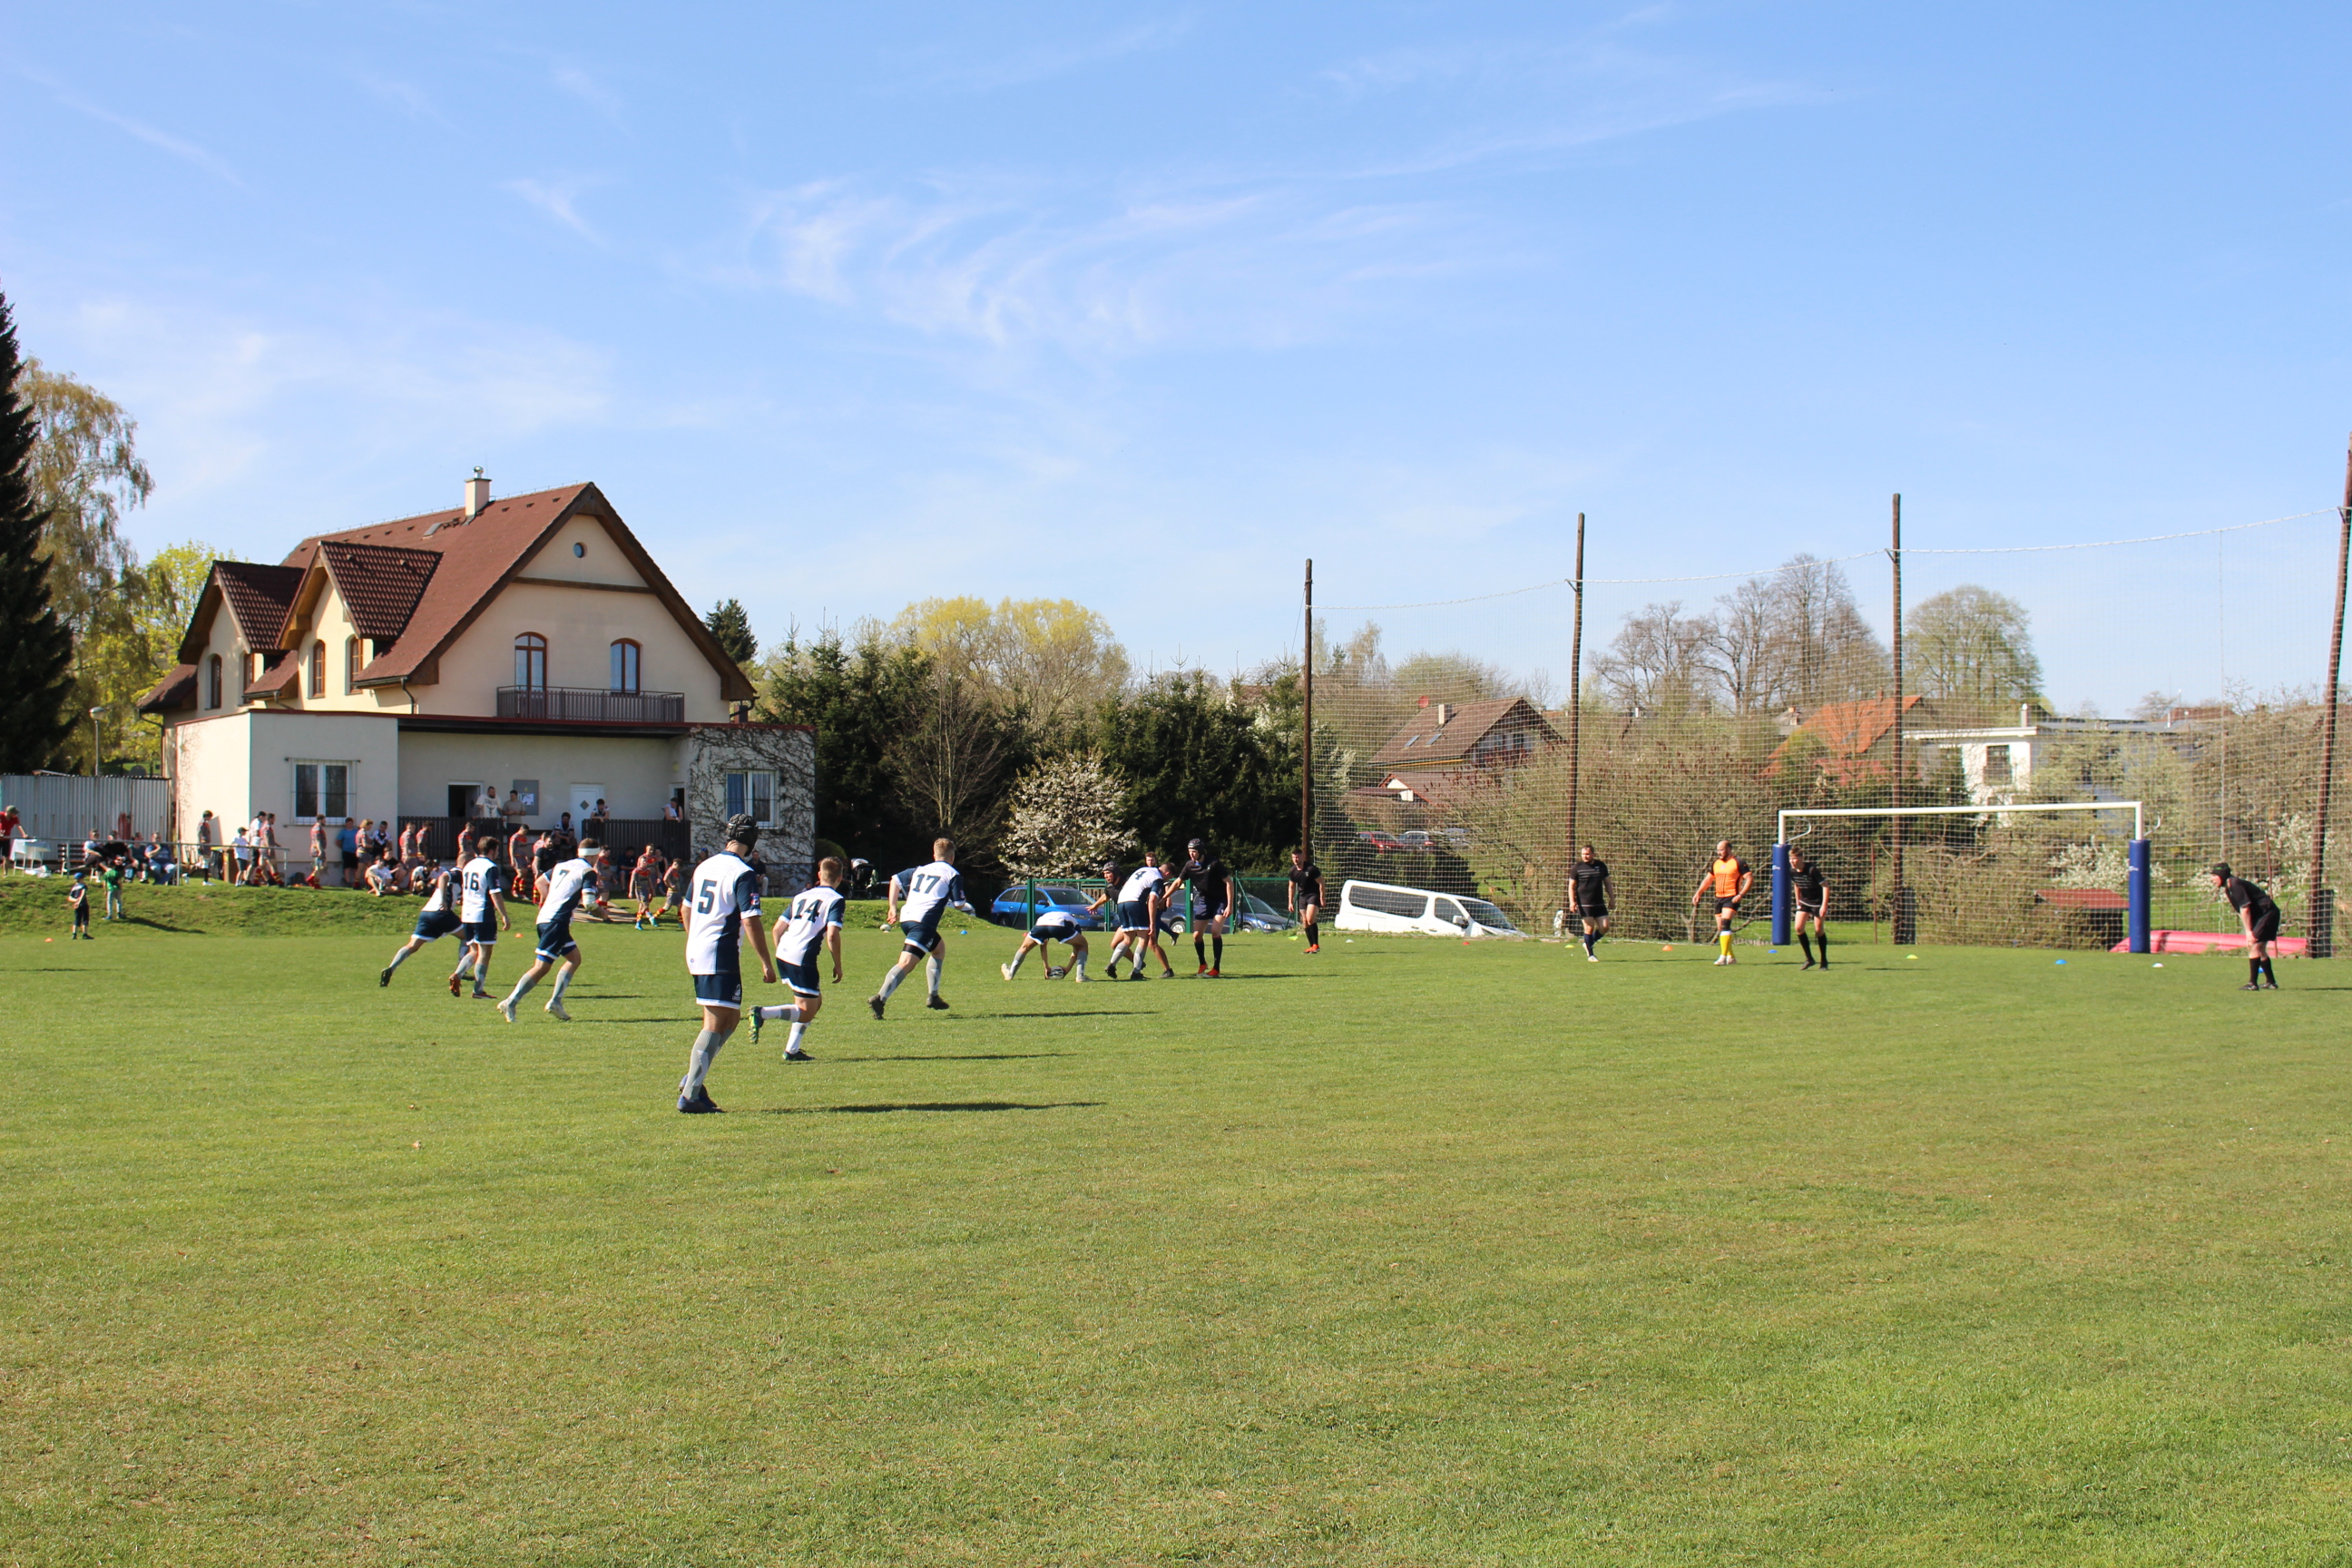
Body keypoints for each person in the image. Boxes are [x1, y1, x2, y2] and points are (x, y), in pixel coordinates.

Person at [677, 814, 779, 1113]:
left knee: (731, 1019)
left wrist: (695, 938)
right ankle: (691, 1095)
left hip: (700, 950)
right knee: (714, 1022)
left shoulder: (705, 866)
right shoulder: (744, 873)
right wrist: (766, 962)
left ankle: (693, 1077)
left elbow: (686, 909)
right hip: (719, 953)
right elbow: (751, 920)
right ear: (753, 841)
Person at [750, 856, 848, 1061]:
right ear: (840, 878)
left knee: (815, 1002)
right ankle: (763, 1013)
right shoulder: (835, 900)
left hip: (784, 952)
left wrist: (784, 952)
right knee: (806, 1011)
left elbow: (777, 929)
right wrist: (838, 965)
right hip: (802, 957)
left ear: (819, 875)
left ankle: (792, 1051)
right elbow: (832, 935)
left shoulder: (801, 896)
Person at [867, 838, 972, 1018]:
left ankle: (933, 996)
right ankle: (880, 998)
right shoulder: (952, 874)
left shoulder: (920, 869)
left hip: (907, 918)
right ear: (952, 857)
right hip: (923, 922)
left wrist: (892, 908)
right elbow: (959, 904)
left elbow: (895, 880)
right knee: (906, 962)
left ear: (934, 855)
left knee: (938, 949)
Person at [499, 837, 601, 1022]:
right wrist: (603, 914)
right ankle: (510, 1002)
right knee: (541, 967)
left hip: (545, 918)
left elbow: (540, 882)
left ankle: (556, 1001)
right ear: (595, 856)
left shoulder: (562, 865)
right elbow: (589, 903)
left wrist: (549, 901)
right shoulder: (588, 872)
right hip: (556, 921)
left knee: (574, 958)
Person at [381, 861, 466, 986]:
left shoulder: (458, 879)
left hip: (426, 912)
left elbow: (452, 892)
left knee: (413, 945)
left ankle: (390, 969)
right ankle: (461, 970)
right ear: (465, 862)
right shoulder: (458, 873)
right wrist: (443, 900)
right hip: (441, 912)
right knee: (468, 936)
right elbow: (443, 877)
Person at [1165, 838, 1239, 977]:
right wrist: (1164, 897)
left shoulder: (1214, 863)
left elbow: (1229, 883)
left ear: (1200, 851)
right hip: (1205, 901)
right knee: (1197, 935)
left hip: (1220, 900)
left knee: (1215, 931)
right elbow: (1177, 882)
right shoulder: (1189, 866)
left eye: (1194, 851)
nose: (1191, 854)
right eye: (1189, 851)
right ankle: (1203, 963)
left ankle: (1216, 969)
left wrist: (1230, 905)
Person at [454, 835, 513, 999]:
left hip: (467, 913)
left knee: (474, 950)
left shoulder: (469, 865)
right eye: (497, 850)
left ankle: (457, 974)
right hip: (483, 913)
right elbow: (495, 893)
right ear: (492, 851)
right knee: (485, 953)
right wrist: (504, 915)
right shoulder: (490, 867)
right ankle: (478, 991)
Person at [2210, 863, 2282, 991]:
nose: (2212, 879)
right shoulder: (2228, 888)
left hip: (2267, 913)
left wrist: (2249, 932)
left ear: (2222, 875)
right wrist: (2249, 930)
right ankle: (2271, 982)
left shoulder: (2235, 884)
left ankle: (2252, 984)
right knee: (2259, 947)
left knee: (2254, 945)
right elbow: (2240, 910)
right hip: (2260, 915)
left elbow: (2245, 908)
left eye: (2214, 876)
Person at [1690, 839, 1752, 965]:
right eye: (1718, 850)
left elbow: (1750, 879)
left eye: (1721, 850)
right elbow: (1708, 879)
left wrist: (1741, 894)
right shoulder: (1716, 863)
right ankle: (1731, 957)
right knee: (1721, 928)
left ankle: (1722, 957)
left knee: (1725, 924)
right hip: (1719, 898)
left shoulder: (1738, 862)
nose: (1719, 853)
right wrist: (1698, 893)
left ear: (1729, 849)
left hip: (1732, 897)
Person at [1004, 901, 1089, 982]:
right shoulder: (1074, 922)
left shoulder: (1047, 915)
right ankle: (1080, 976)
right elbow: (1076, 949)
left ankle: (1010, 974)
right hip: (1059, 924)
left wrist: (1046, 967)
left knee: (1024, 947)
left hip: (1041, 924)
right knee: (1083, 945)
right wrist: (1067, 969)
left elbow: (1043, 944)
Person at [1788, 847, 1831, 969]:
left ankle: (1824, 960)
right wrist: (1798, 901)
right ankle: (1809, 959)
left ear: (1801, 858)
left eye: (1794, 859)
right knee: (1798, 928)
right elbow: (1797, 884)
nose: (1792, 861)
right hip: (1805, 902)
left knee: (1818, 930)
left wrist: (1824, 905)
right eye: (1790, 859)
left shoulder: (1812, 870)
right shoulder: (1792, 871)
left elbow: (1825, 886)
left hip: (1817, 903)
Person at [1567, 844, 1612, 961]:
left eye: (1587, 854)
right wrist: (1572, 902)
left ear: (1593, 854)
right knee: (1589, 928)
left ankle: (1588, 942)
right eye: (1583, 854)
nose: (1585, 856)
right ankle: (1591, 955)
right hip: (1584, 903)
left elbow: (1607, 883)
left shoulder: (1601, 866)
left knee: (1605, 927)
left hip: (1599, 903)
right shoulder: (1577, 868)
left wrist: (1612, 899)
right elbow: (1571, 886)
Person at [1287, 848, 1328, 955]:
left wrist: (1322, 898)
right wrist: (1290, 902)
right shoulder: (1293, 871)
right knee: (1305, 922)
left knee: (1310, 919)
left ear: (1302, 857)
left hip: (1313, 895)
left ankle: (1316, 945)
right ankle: (1312, 946)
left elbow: (1321, 883)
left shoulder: (1311, 869)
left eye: (1297, 857)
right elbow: (1291, 887)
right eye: (1294, 857)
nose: (1295, 859)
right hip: (1302, 897)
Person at [630, 845, 663, 928]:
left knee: (647, 901)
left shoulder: (653, 860)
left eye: (652, 849)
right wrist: (631, 891)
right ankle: (648, 917)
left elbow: (656, 869)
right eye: (650, 849)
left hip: (650, 881)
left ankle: (641, 919)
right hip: (640, 888)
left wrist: (658, 877)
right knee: (644, 904)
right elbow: (632, 881)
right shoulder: (639, 864)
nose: (651, 851)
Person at [66, 872, 91, 939]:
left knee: (77, 919)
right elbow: (83, 894)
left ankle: (74, 934)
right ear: (80, 879)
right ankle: (85, 934)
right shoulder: (83, 886)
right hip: (83, 904)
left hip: (76, 905)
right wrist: (79, 902)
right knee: (85, 919)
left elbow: (70, 898)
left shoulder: (74, 887)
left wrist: (76, 901)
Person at [102, 856, 125, 921]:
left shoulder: (106, 873)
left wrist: (105, 890)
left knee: (109, 902)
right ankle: (119, 913)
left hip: (110, 889)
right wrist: (121, 889)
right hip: (117, 888)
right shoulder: (117, 873)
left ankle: (110, 915)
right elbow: (119, 882)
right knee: (119, 901)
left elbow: (104, 883)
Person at [0, 802, 18, 872]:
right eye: (14, 813)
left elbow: (19, 826)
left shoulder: (14, 818)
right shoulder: (1, 815)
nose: (15, 814)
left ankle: (5, 873)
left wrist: (24, 834)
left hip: (6, 839)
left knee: (6, 857)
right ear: (9, 812)